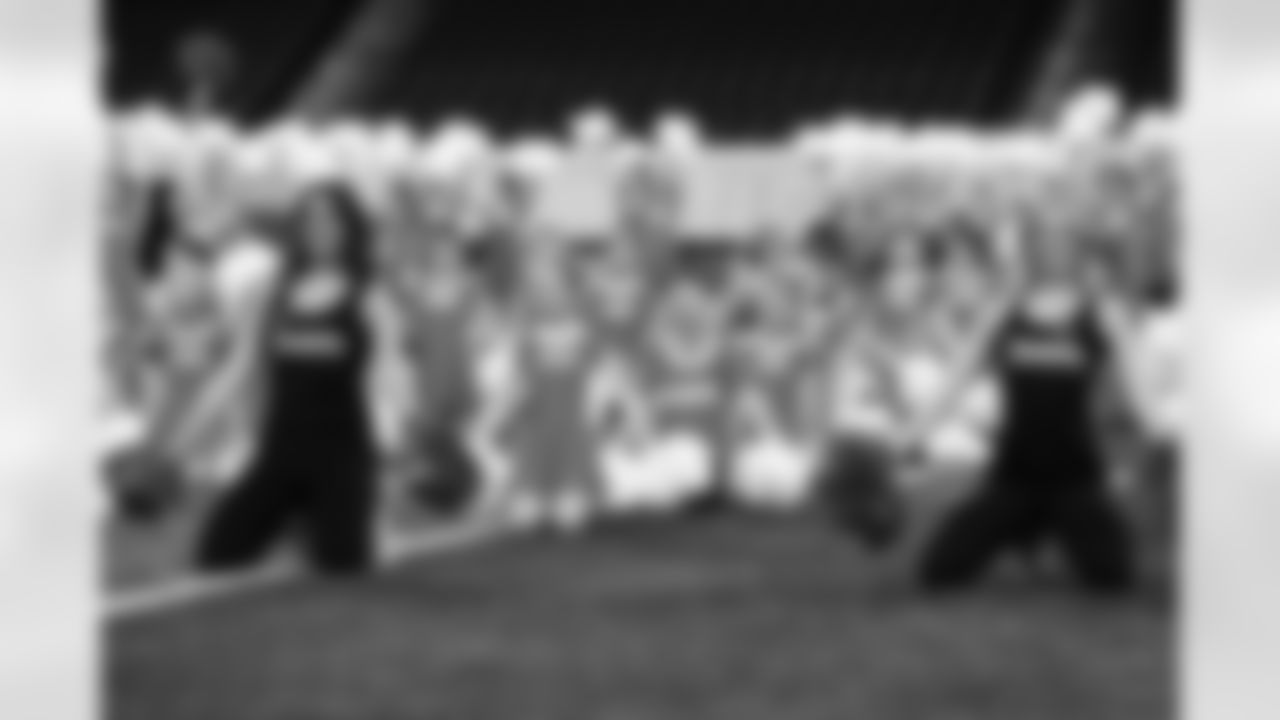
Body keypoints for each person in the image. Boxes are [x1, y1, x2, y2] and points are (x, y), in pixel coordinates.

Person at [902, 228, 1140, 594]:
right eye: (1043, 244)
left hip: (1076, 474)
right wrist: (915, 435)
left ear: (1074, 254)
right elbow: (956, 379)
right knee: (937, 573)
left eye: (1061, 244)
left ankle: (1040, 528)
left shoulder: (1104, 314)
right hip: (1014, 473)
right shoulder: (1002, 313)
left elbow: (1138, 389)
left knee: (1112, 579)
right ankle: (1025, 527)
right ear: (1031, 254)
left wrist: (1154, 436)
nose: (1052, 253)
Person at [194, 182, 388, 575]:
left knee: (343, 567)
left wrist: (398, 448)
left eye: (330, 219)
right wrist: (182, 438)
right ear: (297, 228)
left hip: (342, 456)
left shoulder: (369, 294)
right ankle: (295, 517)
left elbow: (387, 377)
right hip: (279, 453)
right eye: (310, 219)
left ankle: (322, 518)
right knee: (217, 554)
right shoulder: (273, 290)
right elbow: (240, 365)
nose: (319, 228)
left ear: (349, 228)